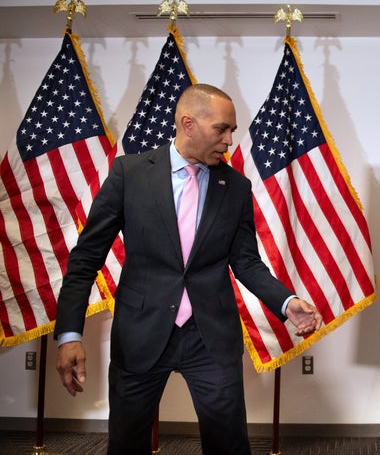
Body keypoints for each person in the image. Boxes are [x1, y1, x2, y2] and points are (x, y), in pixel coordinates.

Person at [54, 83, 323, 455]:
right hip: (141, 333)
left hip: (210, 337)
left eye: (232, 130)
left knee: (229, 446)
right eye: (221, 129)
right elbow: (85, 258)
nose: (229, 140)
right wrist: (70, 334)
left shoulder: (236, 187)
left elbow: (246, 262)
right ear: (188, 123)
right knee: (127, 445)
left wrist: (287, 302)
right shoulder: (130, 174)